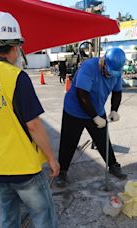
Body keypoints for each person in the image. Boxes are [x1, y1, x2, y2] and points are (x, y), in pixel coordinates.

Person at [0, 12, 59, 228]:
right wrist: (51, 159)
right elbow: (34, 126)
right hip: (24, 166)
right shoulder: (17, 77)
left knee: (8, 217)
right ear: (15, 46)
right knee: (43, 216)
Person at [55, 47, 128, 188]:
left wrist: (114, 110)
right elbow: (82, 95)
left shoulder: (116, 71)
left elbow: (117, 92)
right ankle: (62, 172)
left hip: (97, 109)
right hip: (75, 110)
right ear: (103, 62)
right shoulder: (88, 68)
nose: (109, 75)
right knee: (68, 142)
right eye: (108, 71)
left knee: (103, 141)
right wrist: (94, 116)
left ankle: (113, 166)